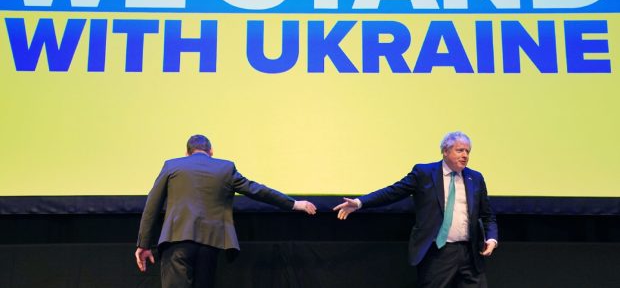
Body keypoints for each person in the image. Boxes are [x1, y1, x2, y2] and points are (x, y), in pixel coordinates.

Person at [135, 134, 316, 288]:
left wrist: (144, 243)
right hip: (211, 243)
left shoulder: (172, 166)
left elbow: (152, 205)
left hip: (177, 242)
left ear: (186, 153)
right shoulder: (226, 168)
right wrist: (294, 204)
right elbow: (257, 190)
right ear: (211, 151)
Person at [334, 131, 497, 287]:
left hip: (471, 253)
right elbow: (393, 192)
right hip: (438, 251)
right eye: (460, 150)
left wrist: (491, 239)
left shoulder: (475, 177)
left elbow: (487, 214)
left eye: (468, 151)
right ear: (445, 151)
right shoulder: (424, 173)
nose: (465, 155)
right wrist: (359, 202)